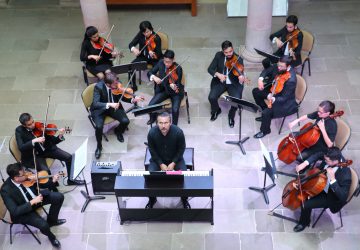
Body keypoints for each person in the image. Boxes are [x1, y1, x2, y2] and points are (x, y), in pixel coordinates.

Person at [1, 163, 66, 248]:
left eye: (24, 171)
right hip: (24, 210)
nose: (26, 174)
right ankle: (51, 237)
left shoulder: (26, 176)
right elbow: (15, 211)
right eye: (23, 174)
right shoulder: (6, 190)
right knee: (43, 225)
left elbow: (43, 185)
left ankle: (52, 220)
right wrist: (32, 202)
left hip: (36, 198)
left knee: (59, 197)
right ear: (16, 178)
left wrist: (52, 181)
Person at [292, 147, 352, 232]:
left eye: (327, 161)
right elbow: (318, 154)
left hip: (330, 195)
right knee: (303, 190)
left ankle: (304, 222)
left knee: (305, 203)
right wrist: (305, 163)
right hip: (320, 183)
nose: (324, 161)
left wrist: (333, 180)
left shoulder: (345, 174)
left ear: (335, 161)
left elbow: (342, 196)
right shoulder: (331, 154)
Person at [15, 113, 84, 186]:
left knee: (69, 158)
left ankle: (71, 180)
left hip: (47, 149)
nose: (33, 125)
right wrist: (34, 141)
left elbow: (53, 140)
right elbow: (21, 147)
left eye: (33, 122)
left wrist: (60, 135)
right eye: (29, 124)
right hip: (35, 155)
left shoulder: (39, 127)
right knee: (46, 172)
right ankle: (53, 185)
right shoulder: (19, 131)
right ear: (24, 125)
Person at [91, 72, 143, 159]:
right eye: (115, 84)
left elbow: (122, 96)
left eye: (117, 82)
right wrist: (109, 104)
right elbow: (95, 103)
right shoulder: (98, 87)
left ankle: (118, 131)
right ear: (108, 84)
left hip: (114, 107)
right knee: (99, 127)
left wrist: (133, 100)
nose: (118, 84)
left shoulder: (117, 85)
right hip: (100, 110)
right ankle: (99, 146)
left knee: (125, 121)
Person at [146, 112, 190, 209]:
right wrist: (160, 163)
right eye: (160, 123)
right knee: (150, 177)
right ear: (157, 123)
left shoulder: (178, 132)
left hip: (175, 159)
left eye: (166, 123)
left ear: (170, 122)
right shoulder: (152, 133)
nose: (163, 126)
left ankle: (184, 198)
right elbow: (152, 150)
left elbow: (181, 148)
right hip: (158, 159)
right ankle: (152, 199)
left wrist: (173, 162)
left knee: (184, 176)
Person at [253, 55, 297, 138]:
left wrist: (272, 98)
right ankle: (264, 112)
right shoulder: (278, 66)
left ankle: (265, 131)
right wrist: (260, 79)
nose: (279, 68)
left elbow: (285, 98)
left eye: (281, 66)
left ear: (288, 66)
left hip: (283, 101)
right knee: (256, 91)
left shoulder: (291, 80)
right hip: (273, 90)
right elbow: (267, 70)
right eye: (278, 65)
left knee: (267, 112)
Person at [207, 40, 246, 128]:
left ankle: (231, 116)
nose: (229, 54)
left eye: (230, 51)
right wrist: (218, 74)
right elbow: (210, 69)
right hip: (220, 82)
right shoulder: (218, 55)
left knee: (236, 100)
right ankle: (216, 110)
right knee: (211, 97)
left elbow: (241, 73)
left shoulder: (238, 59)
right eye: (226, 52)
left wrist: (241, 78)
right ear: (222, 51)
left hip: (233, 83)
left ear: (233, 49)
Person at [146, 50, 183, 125]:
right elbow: (149, 72)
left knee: (175, 109)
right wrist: (154, 77)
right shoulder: (160, 62)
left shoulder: (178, 68)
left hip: (175, 92)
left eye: (169, 62)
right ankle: (153, 117)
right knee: (150, 105)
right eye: (165, 61)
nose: (166, 64)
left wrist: (174, 86)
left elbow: (178, 84)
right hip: (164, 90)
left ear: (173, 60)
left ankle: (174, 126)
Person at [128, 20, 162, 91]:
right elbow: (131, 44)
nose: (146, 34)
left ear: (151, 29)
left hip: (154, 59)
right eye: (144, 32)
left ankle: (158, 88)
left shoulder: (157, 38)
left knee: (157, 70)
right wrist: (134, 49)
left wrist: (153, 54)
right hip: (143, 56)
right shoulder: (141, 34)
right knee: (131, 66)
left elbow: (158, 54)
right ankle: (133, 85)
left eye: (147, 32)